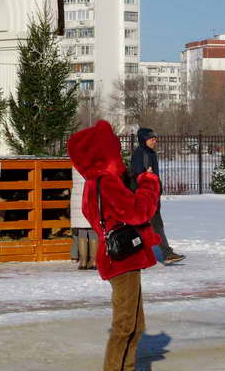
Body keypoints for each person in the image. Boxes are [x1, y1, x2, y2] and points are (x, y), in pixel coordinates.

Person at [68, 120, 161, 371]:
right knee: (125, 326)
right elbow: (138, 212)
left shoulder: (95, 183)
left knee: (135, 326)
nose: (119, 153)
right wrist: (149, 183)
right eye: (114, 148)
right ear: (103, 151)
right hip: (123, 260)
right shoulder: (106, 182)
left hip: (121, 258)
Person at [131, 128, 186, 265]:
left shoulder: (150, 153)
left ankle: (160, 254)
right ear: (144, 139)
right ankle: (165, 254)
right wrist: (147, 175)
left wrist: (157, 188)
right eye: (151, 139)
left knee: (152, 226)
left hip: (152, 196)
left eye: (155, 139)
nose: (154, 141)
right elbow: (137, 174)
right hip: (144, 197)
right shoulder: (140, 153)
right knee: (150, 226)